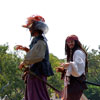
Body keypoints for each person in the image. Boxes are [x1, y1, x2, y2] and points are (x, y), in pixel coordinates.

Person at [16, 15, 54, 100]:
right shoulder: (37, 40)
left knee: (37, 96)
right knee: (33, 95)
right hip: (35, 72)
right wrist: (26, 49)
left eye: (30, 28)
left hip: (38, 72)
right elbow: (35, 54)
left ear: (35, 28)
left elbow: (38, 57)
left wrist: (24, 62)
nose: (29, 30)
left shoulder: (41, 40)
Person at [56, 35, 88, 100]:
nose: (70, 43)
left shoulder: (78, 52)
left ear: (76, 42)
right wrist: (63, 70)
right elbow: (73, 68)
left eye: (72, 42)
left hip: (77, 83)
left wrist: (68, 65)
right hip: (73, 83)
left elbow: (78, 67)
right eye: (68, 42)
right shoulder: (72, 52)